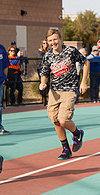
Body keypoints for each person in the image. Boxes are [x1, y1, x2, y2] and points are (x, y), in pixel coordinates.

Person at [39, 29, 89, 160]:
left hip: (70, 89)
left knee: (63, 120)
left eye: (55, 39)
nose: (53, 42)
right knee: (55, 120)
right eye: (50, 41)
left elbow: (86, 62)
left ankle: (77, 133)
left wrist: (83, 82)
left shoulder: (70, 51)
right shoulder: (47, 56)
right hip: (54, 91)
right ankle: (66, 148)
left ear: (60, 39)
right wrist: (43, 83)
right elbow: (44, 73)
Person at [37, 39, 50, 105]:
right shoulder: (40, 51)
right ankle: (42, 97)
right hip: (41, 68)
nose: (45, 45)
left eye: (46, 43)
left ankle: (47, 97)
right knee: (42, 83)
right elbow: (42, 57)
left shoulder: (49, 51)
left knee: (48, 83)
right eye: (44, 43)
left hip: (48, 69)